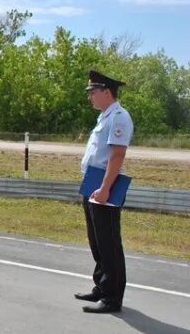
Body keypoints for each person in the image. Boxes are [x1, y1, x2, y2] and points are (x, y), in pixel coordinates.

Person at [75, 69, 133, 314]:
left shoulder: (119, 117)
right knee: (96, 242)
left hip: (104, 185)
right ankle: (101, 285)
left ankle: (112, 298)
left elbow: (117, 155)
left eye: (93, 92)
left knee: (109, 243)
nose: (90, 97)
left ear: (106, 92)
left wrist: (105, 188)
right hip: (93, 183)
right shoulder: (105, 117)